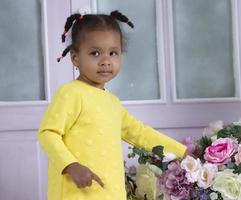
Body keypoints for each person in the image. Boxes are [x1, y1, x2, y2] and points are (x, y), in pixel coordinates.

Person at [38, 10, 187, 200]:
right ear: (75, 58)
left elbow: (139, 133)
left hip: (110, 192)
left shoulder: (112, 102)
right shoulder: (70, 93)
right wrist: (70, 165)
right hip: (76, 192)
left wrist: (183, 152)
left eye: (113, 53)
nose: (106, 61)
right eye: (95, 53)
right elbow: (48, 133)